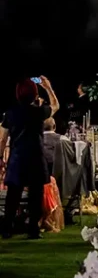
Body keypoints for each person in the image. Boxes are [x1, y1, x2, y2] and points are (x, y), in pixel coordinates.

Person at [0, 76, 59, 239]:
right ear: (34, 94)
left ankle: (7, 228)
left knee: (13, 195)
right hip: (35, 156)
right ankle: (33, 228)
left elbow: (3, 138)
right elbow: (55, 106)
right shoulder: (39, 112)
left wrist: (0, 156)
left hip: (17, 157)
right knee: (36, 195)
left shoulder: (10, 113)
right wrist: (48, 88)